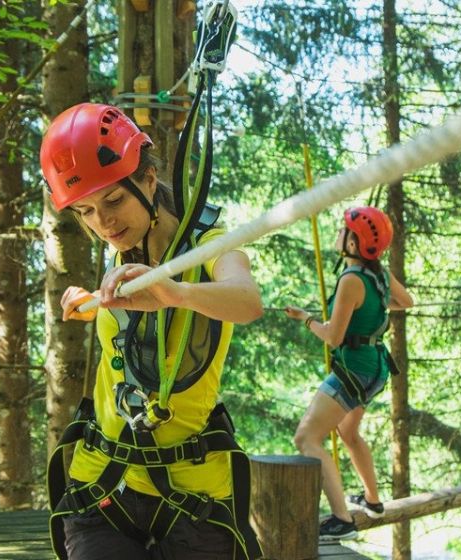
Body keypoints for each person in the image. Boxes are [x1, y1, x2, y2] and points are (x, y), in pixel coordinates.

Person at [41, 102, 263, 560]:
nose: (103, 223)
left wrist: (175, 293)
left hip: (193, 497)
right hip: (103, 484)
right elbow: (136, 328)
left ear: (148, 179)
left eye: (113, 201)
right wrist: (94, 305)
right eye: (85, 211)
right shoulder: (123, 249)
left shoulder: (210, 247)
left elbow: (247, 301)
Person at [285, 206, 414, 541]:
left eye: (344, 231)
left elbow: (333, 337)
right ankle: (372, 501)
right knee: (348, 432)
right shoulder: (378, 274)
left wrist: (305, 319)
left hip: (353, 371)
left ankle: (342, 519)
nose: (339, 233)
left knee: (306, 438)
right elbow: (406, 301)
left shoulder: (351, 280)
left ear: (354, 244)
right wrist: (372, 307)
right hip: (375, 368)